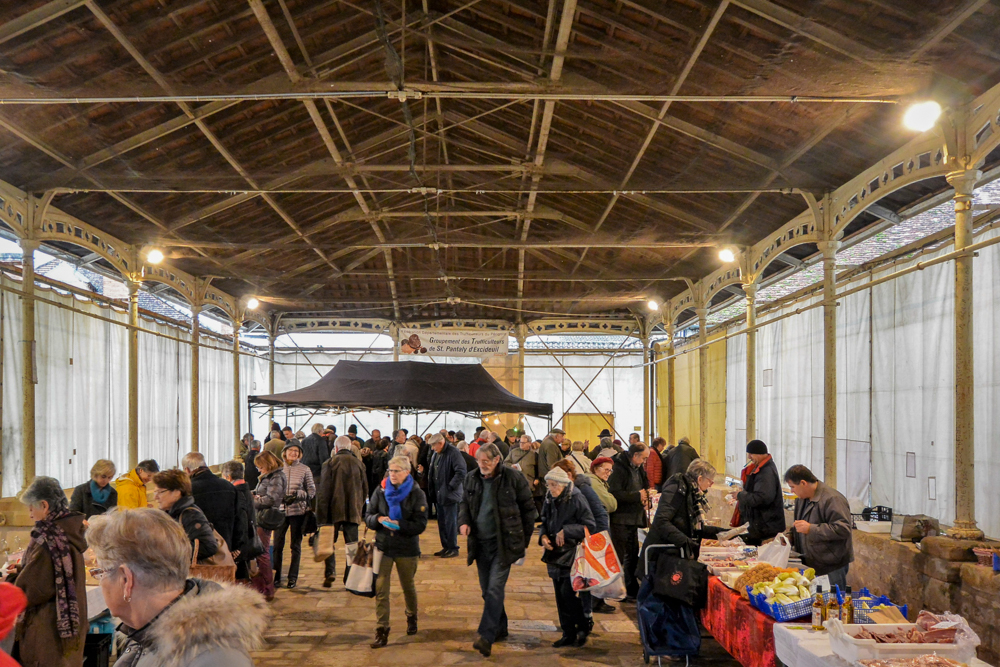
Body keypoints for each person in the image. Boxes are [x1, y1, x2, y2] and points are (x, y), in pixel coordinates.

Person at [87, 508, 268, 667]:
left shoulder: (213, 659)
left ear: (126, 580)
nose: (100, 580)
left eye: (101, 572)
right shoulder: (147, 629)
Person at [459, 444, 536, 657]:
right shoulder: (472, 478)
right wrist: (464, 521)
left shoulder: (513, 478)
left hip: (504, 544)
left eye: (486, 461)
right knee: (487, 590)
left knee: (494, 588)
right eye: (479, 460)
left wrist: (523, 542)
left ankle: (486, 635)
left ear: (496, 460)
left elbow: (529, 511)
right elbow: (464, 503)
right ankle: (500, 626)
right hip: (480, 544)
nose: (482, 465)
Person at [10, 477, 86, 667]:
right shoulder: (67, 531)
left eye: (31, 508)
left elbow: (34, 588)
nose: (30, 514)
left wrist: (10, 580)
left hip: (48, 629)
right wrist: (22, 569)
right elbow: (53, 572)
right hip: (69, 626)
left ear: (44, 505)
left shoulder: (48, 539)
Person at [366, 456, 428, 648]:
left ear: (407, 472)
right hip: (383, 546)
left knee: (407, 585)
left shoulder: (417, 493)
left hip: (406, 548)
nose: (392, 474)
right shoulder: (381, 489)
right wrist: (378, 519)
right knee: (381, 589)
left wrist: (400, 525)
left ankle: (411, 615)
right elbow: (368, 516)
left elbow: (421, 524)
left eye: (397, 471)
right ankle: (382, 629)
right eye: (391, 471)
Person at [539, 467, 596, 648]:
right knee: (559, 595)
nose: (551, 488)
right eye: (549, 485)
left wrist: (567, 531)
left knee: (567, 593)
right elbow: (545, 521)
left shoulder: (577, 498)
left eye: (554, 485)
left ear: (564, 485)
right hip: (554, 552)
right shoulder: (549, 498)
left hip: (572, 553)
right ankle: (568, 632)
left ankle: (582, 626)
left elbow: (590, 525)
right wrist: (543, 537)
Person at [639, 459, 726, 577]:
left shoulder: (690, 491)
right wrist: (685, 542)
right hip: (662, 554)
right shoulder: (677, 488)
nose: (711, 485)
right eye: (710, 481)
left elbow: (694, 527)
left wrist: (724, 533)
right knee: (652, 592)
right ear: (700, 479)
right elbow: (661, 521)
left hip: (670, 552)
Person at [552, 459, 611, 621]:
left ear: (569, 475)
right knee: (576, 580)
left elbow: (600, 514)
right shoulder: (562, 491)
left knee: (584, 580)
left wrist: (596, 540)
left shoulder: (582, 489)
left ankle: (586, 616)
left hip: (586, 540)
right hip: (571, 542)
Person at [785, 465, 853, 590]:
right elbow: (799, 524)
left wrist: (811, 529)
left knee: (833, 604)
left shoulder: (832, 499)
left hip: (831, 564)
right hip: (811, 562)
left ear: (803, 483)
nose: (791, 491)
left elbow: (843, 529)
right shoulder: (801, 499)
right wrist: (790, 536)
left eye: (792, 487)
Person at [317, 435, 369, 587]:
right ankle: (350, 579)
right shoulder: (359, 464)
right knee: (351, 546)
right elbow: (365, 489)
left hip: (332, 512)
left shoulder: (330, 463)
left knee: (328, 543)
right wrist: (361, 508)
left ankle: (330, 571)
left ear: (336, 448)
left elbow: (324, 492)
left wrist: (320, 515)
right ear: (350, 447)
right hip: (353, 510)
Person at [608, 443, 650, 601]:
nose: (644, 462)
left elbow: (644, 484)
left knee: (632, 555)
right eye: (644, 458)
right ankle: (616, 590)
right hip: (620, 518)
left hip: (633, 518)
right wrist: (637, 496)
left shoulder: (637, 467)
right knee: (619, 555)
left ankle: (631, 588)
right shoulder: (618, 468)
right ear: (635, 455)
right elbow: (614, 493)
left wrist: (646, 496)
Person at [273, 441, 316, 589]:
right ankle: (276, 576)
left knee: (295, 545)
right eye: (291, 450)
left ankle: (293, 577)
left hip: (298, 511)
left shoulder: (305, 469)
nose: (293, 453)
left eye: (296, 451)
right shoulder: (278, 468)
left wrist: (299, 495)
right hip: (280, 511)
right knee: (278, 545)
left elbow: (311, 490)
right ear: (284, 452)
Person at [152, 469, 218, 561]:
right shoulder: (169, 513)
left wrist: (169, 550)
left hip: (191, 572)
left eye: (160, 492)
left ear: (177, 492)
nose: (155, 497)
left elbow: (209, 546)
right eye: (155, 492)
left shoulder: (190, 514)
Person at [732, 440, 785, 545]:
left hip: (765, 527)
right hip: (759, 525)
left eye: (751, 454)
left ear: (760, 454)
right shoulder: (760, 468)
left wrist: (740, 495)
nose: (749, 457)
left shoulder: (766, 472)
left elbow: (762, 498)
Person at [183, 452, 238, 550]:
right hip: (226, 543)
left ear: (187, 470)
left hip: (201, 547)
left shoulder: (188, 490)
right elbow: (239, 516)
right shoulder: (228, 486)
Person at [251, 451, 285, 601]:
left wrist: (253, 500)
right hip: (261, 516)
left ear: (267, 464)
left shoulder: (276, 477)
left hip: (265, 518)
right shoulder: (271, 476)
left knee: (262, 552)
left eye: (260, 466)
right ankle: (264, 587)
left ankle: (267, 588)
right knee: (261, 551)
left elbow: (271, 499)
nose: (259, 469)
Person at [427, 433, 465, 558]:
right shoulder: (436, 454)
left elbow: (461, 471)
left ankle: (453, 548)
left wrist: (450, 487)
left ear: (441, 443)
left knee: (450, 523)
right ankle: (446, 547)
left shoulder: (453, 453)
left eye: (433, 445)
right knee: (442, 523)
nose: (432, 448)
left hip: (449, 495)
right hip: (439, 494)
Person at [219, 461, 256, 584]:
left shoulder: (236, 492)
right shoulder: (246, 488)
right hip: (247, 538)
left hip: (241, 543)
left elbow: (241, 521)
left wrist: (237, 547)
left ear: (228, 477)